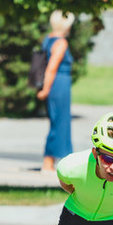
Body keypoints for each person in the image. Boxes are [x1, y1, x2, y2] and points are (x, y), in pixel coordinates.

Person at [38, 11, 75, 171]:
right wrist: (46, 89)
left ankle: (51, 161)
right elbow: (51, 68)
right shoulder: (61, 43)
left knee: (57, 121)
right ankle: (48, 162)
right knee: (59, 122)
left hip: (57, 85)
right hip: (58, 85)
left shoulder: (49, 39)